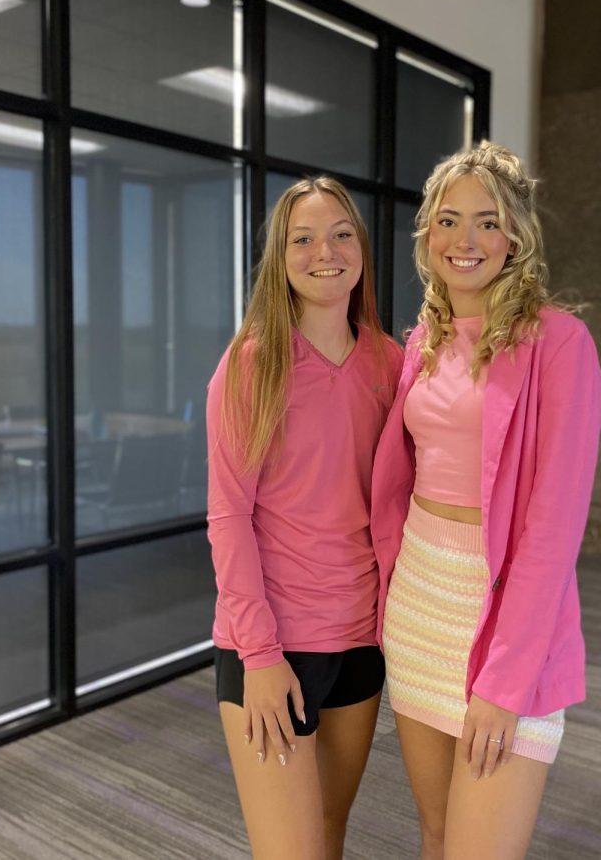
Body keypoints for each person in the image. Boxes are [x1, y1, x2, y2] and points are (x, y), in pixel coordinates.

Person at [370, 141, 601, 859]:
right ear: (427, 237)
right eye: (447, 221)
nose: (464, 240)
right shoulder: (422, 343)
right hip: (419, 605)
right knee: (437, 833)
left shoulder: (559, 343)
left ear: (516, 238)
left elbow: (552, 529)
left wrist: (504, 682)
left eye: (487, 222)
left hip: (504, 621)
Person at [207, 177, 404, 860]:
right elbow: (228, 516)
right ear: (280, 257)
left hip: (360, 641)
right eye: (304, 237)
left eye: (342, 233)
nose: (327, 250)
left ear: (362, 250)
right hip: (272, 647)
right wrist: (259, 656)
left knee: (328, 835)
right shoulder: (250, 366)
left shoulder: (391, 363)